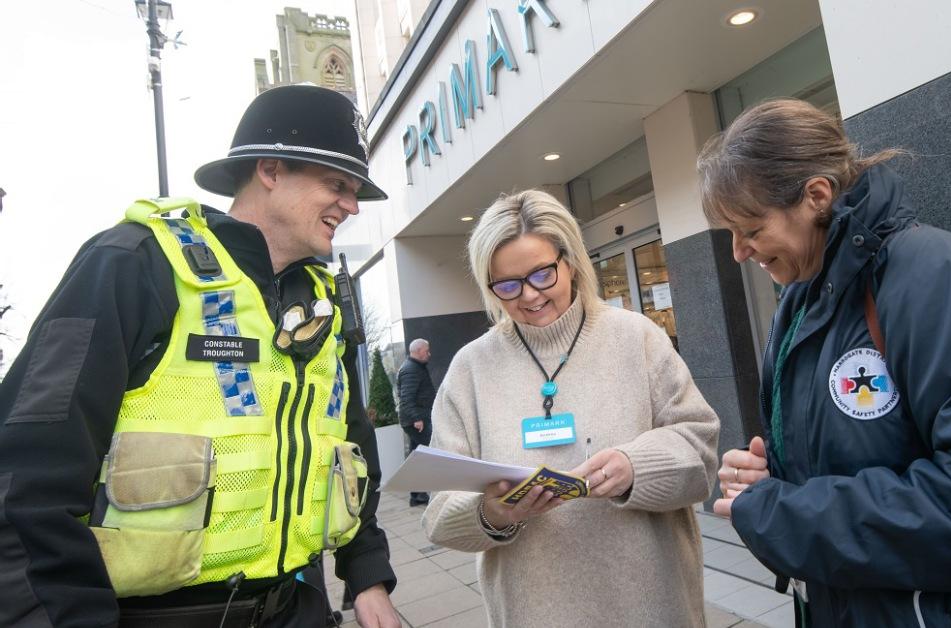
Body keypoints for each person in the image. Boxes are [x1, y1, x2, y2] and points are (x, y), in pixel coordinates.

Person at [0, 85, 401, 628]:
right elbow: (25, 477)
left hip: (293, 608)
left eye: (354, 190)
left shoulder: (322, 304)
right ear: (271, 169)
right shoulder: (133, 263)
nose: (351, 206)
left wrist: (367, 573)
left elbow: (349, 447)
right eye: (337, 185)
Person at [699, 99, 951, 627]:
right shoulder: (801, 302)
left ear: (816, 196)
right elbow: (869, 454)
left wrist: (783, 514)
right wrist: (772, 475)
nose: (738, 253)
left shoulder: (948, 285)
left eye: (750, 229)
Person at [421, 190, 719, 626]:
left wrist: (635, 468)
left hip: (651, 606)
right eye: (506, 285)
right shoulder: (470, 369)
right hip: (532, 612)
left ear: (571, 260)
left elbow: (702, 453)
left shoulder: (635, 337)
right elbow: (439, 512)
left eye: (542, 274)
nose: (529, 296)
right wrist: (490, 513)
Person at [397, 338, 434, 506]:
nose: (429, 353)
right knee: (427, 455)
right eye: (427, 351)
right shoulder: (411, 370)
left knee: (417, 457)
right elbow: (406, 399)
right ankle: (421, 494)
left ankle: (417, 495)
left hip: (417, 419)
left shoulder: (415, 367)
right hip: (417, 421)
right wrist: (417, 419)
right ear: (419, 351)